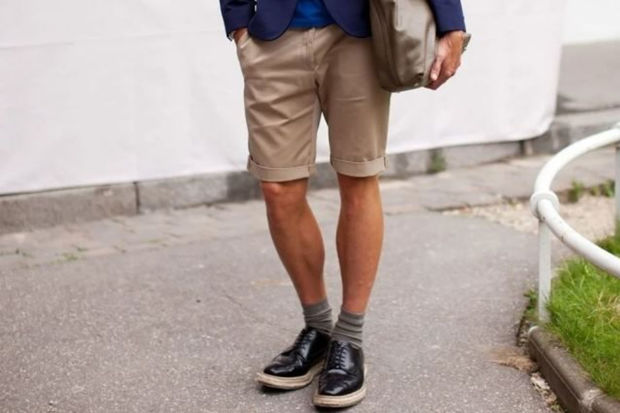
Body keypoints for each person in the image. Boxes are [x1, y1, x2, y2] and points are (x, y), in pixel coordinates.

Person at [219, 0, 467, 408]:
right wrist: (238, 23)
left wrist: (451, 24)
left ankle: (349, 337)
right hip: (271, 37)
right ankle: (318, 329)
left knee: (358, 176)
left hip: (358, 32)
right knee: (278, 187)